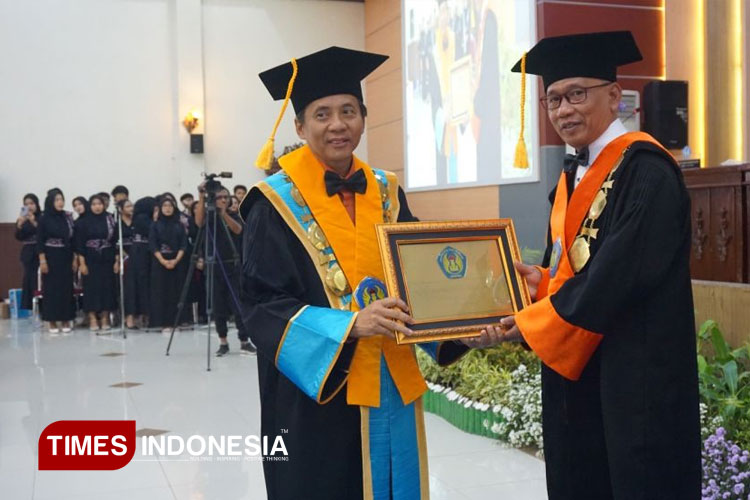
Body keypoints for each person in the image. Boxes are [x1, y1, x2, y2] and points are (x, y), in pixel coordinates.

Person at [240, 46, 497, 500]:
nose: (337, 124)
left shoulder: (387, 191)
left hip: (389, 379)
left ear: (363, 116)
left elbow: (420, 278)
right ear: (299, 126)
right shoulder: (271, 205)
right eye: (322, 114)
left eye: (348, 111)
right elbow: (261, 305)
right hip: (317, 390)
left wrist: (461, 324)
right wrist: (349, 325)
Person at [492, 31, 701, 499]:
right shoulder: (571, 174)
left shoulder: (647, 172)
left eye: (576, 95)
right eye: (553, 100)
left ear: (613, 96)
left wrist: (525, 325)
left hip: (635, 378)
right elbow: (580, 270)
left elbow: (616, 278)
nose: (563, 110)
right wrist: (542, 284)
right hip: (577, 377)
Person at [194, 183, 253, 356]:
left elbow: (238, 230)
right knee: (217, 305)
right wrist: (201, 197)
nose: (223, 200)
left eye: (226, 197)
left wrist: (223, 213)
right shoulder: (208, 216)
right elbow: (198, 223)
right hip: (213, 267)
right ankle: (223, 341)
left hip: (232, 265)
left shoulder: (234, 214)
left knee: (237, 303)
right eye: (219, 197)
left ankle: (244, 340)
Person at [75, 194, 117, 332]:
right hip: (90, 258)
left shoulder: (110, 219)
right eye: (94, 204)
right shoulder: (83, 222)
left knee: (107, 287)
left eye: (99, 204)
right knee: (91, 288)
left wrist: (116, 260)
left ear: (104, 205)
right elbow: (79, 244)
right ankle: (92, 317)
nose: (97, 207)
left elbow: (115, 241)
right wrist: (82, 263)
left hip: (107, 258)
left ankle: (105, 317)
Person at [37, 188, 76, 333]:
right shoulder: (44, 218)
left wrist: (74, 258)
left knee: (66, 288)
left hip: (65, 255)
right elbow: (40, 241)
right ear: (51, 202)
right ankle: (52, 321)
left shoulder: (67, 217)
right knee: (52, 289)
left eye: (62, 199)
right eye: (57, 200)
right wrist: (42, 260)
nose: (60, 203)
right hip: (50, 256)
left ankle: (66, 319)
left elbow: (73, 239)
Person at [148, 197, 187, 332]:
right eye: (164, 206)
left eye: (170, 205)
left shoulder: (179, 225)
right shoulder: (155, 225)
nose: (168, 208)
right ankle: (165, 323)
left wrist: (175, 260)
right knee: (162, 292)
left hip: (177, 262)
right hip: (160, 263)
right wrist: (163, 261)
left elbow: (183, 244)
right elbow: (153, 245)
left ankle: (177, 321)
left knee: (176, 291)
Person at [130, 197, 157, 327]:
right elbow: (153, 230)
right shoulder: (142, 218)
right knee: (143, 283)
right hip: (142, 252)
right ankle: (145, 314)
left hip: (143, 251)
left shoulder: (140, 217)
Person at [15, 194, 41, 311]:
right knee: (28, 278)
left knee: (39, 279)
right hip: (28, 252)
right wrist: (19, 225)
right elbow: (19, 237)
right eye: (26, 204)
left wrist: (33, 221)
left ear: (36, 204)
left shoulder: (42, 217)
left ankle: (42, 305)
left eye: (31, 203)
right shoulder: (22, 219)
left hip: (40, 251)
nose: (29, 206)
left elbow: (43, 232)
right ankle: (31, 306)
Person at [116, 199, 138, 329]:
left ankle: (138, 315)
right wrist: (123, 257)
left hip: (138, 257)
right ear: (121, 209)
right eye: (128, 206)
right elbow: (115, 242)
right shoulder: (117, 224)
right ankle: (128, 316)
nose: (131, 208)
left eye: (132, 205)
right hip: (125, 258)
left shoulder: (137, 222)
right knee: (127, 289)